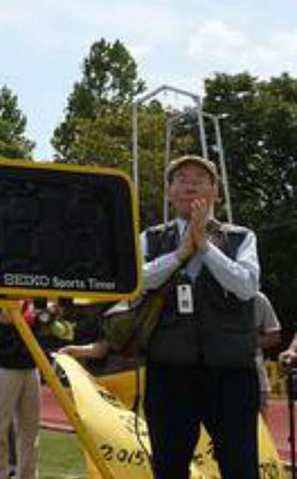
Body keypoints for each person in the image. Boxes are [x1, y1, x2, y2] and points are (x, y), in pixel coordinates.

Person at [141, 155, 260, 479]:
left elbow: (246, 286)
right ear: (169, 193)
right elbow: (139, 281)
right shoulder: (151, 238)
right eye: (181, 179)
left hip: (230, 372)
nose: (190, 185)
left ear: (215, 193)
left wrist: (204, 245)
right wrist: (180, 254)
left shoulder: (240, 237)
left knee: (240, 466)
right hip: (169, 370)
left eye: (199, 179)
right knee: (168, 466)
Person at [0, 301, 40, 479]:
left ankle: (28, 475)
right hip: (3, 365)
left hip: (31, 364)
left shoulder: (33, 296)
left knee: (30, 430)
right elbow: (4, 318)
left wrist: (47, 316)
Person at [254, 292, 282, 411]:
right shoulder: (209, 294)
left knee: (259, 428)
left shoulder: (258, 299)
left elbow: (275, 336)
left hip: (256, 379)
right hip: (214, 378)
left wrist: (243, 341)